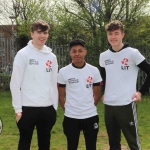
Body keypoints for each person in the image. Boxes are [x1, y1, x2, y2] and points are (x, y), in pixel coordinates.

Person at [99, 20, 150, 150]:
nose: (113, 37)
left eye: (116, 33)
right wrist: (104, 91)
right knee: (113, 143)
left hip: (127, 103)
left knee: (133, 143)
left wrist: (140, 92)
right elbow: (103, 77)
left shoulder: (133, 53)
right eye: (110, 34)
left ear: (123, 35)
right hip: (109, 105)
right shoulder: (104, 56)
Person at [10, 20, 58, 150]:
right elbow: (15, 84)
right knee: (24, 144)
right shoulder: (23, 54)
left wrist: (54, 107)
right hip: (27, 108)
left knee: (45, 144)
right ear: (32, 34)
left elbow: (54, 83)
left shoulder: (52, 57)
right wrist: (18, 111)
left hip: (47, 108)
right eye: (39, 32)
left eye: (45, 32)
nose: (42, 36)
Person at [57, 39, 102, 150]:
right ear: (70, 53)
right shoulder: (63, 72)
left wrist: (89, 107)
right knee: (72, 146)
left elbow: (97, 95)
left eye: (80, 51)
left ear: (85, 52)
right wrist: (68, 109)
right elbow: (61, 97)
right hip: (71, 117)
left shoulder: (94, 70)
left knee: (91, 147)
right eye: (74, 51)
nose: (77, 54)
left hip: (90, 116)